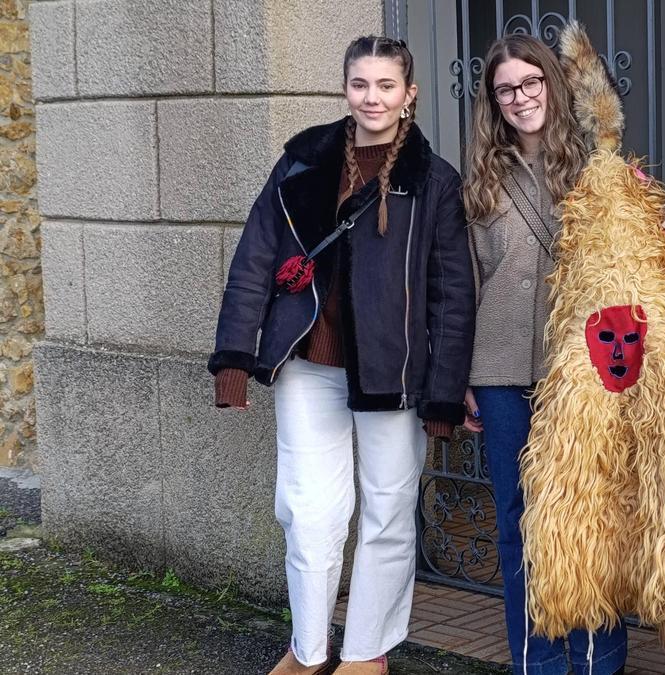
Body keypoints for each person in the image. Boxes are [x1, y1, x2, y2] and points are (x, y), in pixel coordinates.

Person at [208, 36, 474, 675]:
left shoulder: (434, 181)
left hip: (393, 373)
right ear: (345, 88)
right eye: (361, 84)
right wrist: (234, 361)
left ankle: (366, 652)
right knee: (308, 510)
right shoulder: (303, 162)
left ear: (409, 94)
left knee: (388, 510)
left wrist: (443, 391)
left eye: (386, 86)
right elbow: (254, 261)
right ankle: (308, 648)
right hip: (309, 364)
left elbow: (452, 293)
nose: (372, 98)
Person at [461, 33, 628, 675]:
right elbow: (464, 282)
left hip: (581, 374)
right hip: (500, 373)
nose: (521, 97)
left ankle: (599, 660)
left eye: (532, 83)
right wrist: (464, 377)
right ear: (494, 100)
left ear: (552, 86)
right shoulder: (480, 181)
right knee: (517, 527)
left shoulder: (595, 164)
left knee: (593, 519)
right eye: (507, 88)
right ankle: (540, 663)